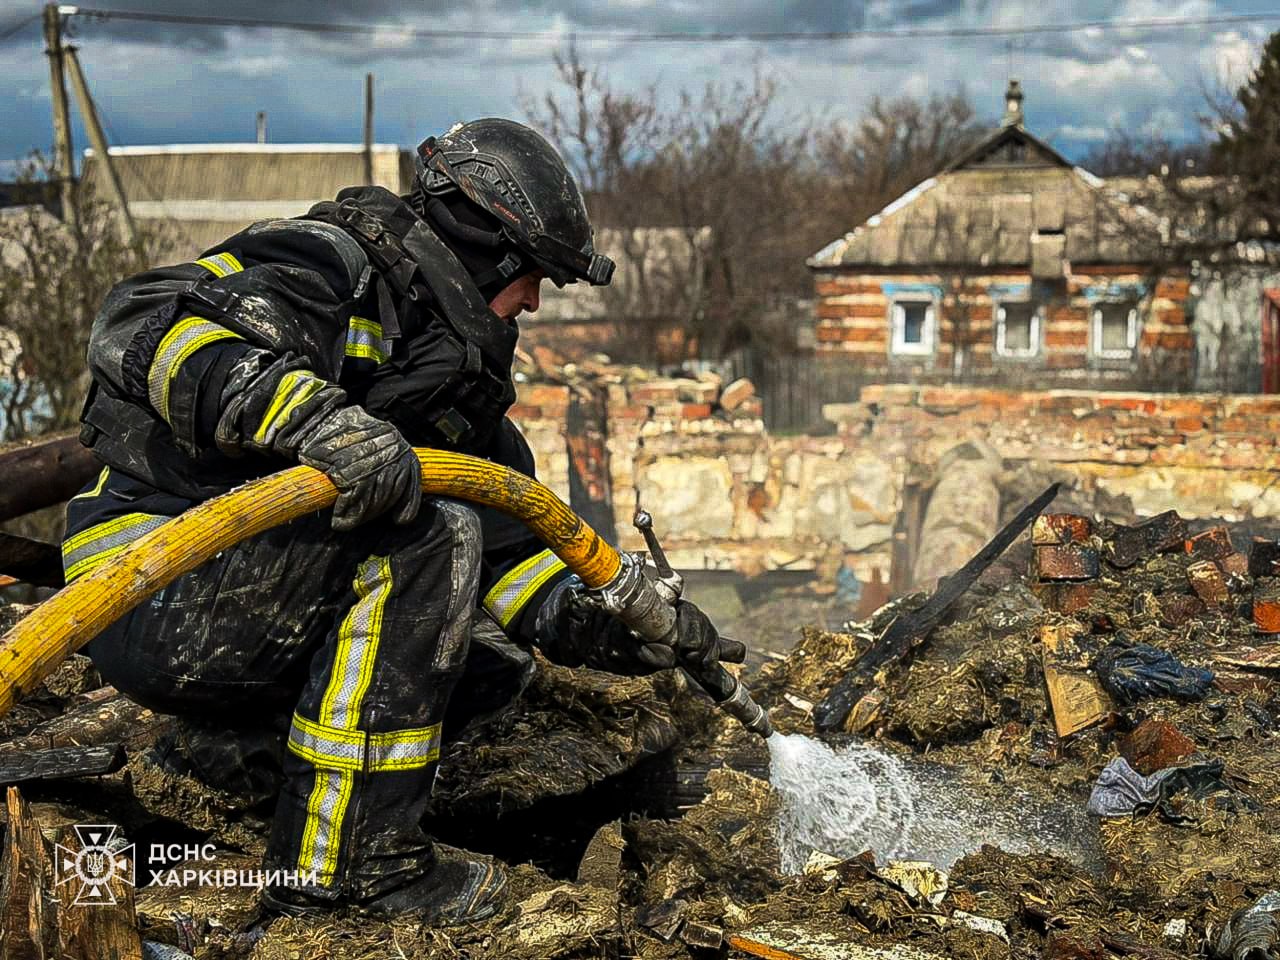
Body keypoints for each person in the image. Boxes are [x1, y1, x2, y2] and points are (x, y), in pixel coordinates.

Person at [61, 119, 745, 925]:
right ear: (485, 246)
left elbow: (514, 563)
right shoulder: (330, 268)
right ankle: (347, 871)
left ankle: (242, 759)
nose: (530, 300)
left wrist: (623, 628)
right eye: (530, 275)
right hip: (150, 583)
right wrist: (312, 420)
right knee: (430, 538)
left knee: (481, 664)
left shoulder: (448, 385)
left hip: (244, 603)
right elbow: (138, 325)